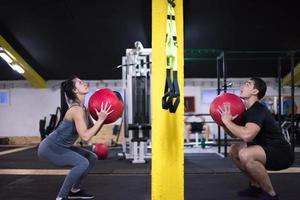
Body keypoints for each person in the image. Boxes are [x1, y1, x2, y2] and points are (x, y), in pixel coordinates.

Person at [217, 77, 294, 200]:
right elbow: (235, 134)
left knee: (246, 154)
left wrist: (228, 122)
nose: (242, 87)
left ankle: (271, 194)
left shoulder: (257, 110)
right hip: (266, 149)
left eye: (247, 84)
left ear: (255, 91)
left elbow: (247, 135)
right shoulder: (247, 112)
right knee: (234, 150)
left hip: (281, 153)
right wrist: (223, 123)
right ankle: (256, 185)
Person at [38, 76, 113, 200]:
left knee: (91, 157)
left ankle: (75, 190)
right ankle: (61, 197)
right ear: (74, 90)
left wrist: (102, 121)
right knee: (82, 162)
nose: (84, 83)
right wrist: (100, 120)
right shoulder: (76, 110)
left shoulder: (83, 109)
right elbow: (85, 137)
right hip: (50, 148)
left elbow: (92, 132)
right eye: (80, 82)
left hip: (62, 147)